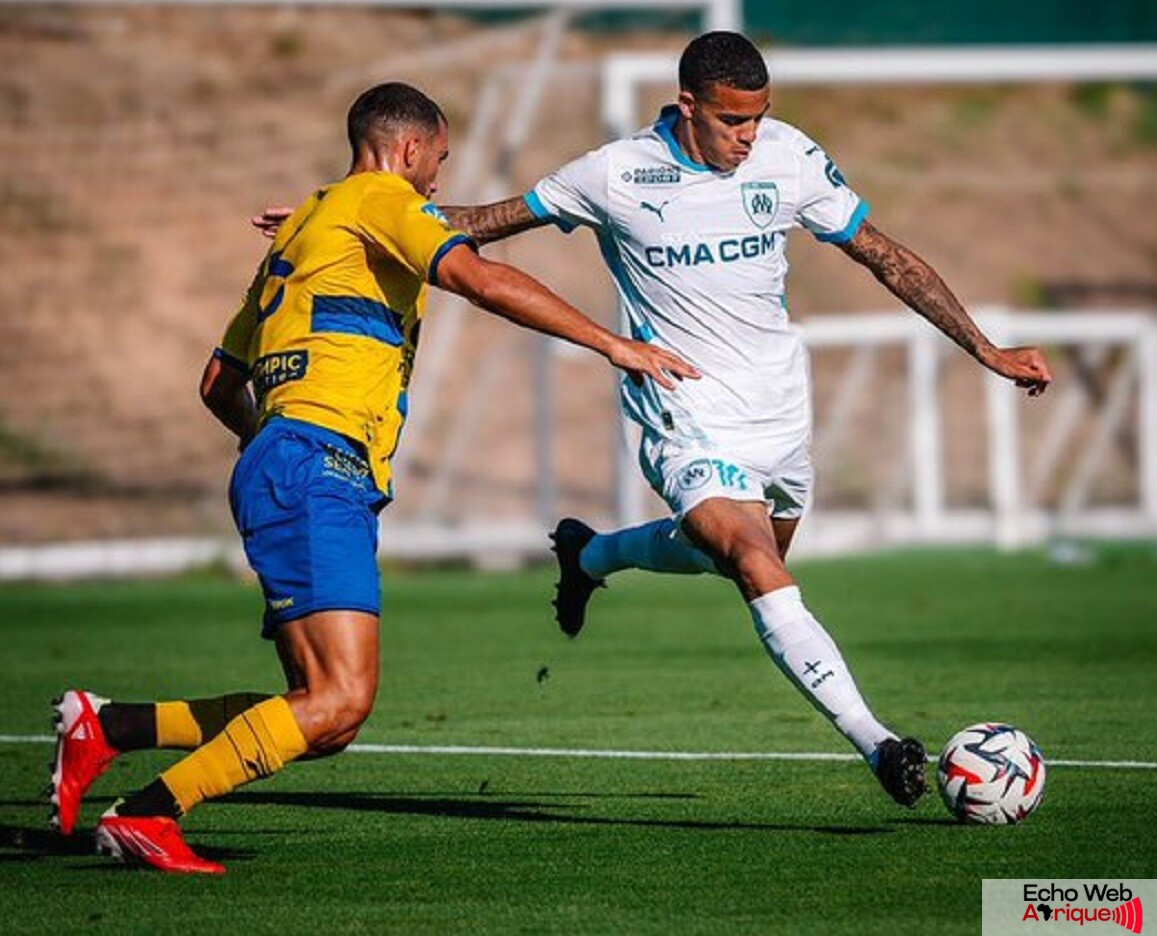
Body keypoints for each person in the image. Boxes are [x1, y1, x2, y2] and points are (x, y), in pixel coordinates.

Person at [252, 34, 1053, 810]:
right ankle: (879, 743)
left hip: (778, 409)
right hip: (684, 408)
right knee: (749, 560)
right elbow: (487, 221)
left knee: (749, 554)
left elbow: (886, 255)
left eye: (759, 118)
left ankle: (591, 553)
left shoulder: (792, 157)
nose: (750, 136)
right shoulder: (615, 172)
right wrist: (352, 215)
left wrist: (984, 347)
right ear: (688, 106)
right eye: (734, 121)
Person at [49, 81, 697, 875]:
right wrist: (614, 344)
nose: (436, 186)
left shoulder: (310, 226)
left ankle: (111, 727)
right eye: (439, 164)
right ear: (411, 148)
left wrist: (274, 445)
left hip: (287, 461)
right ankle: (149, 813)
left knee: (323, 716)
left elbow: (219, 383)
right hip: (317, 466)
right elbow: (480, 280)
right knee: (339, 702)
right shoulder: (385, 201)